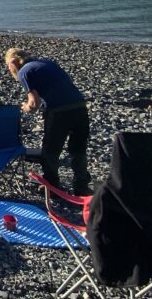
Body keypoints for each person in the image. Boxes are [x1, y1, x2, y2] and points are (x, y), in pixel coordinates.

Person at [5, 48, 91, 195]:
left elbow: (34, 104)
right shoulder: (46, 62)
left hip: (59, 111)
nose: (9, 69)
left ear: (13, 62)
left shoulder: (24, 72)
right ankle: (81, 186)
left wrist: (26, 107)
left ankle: (51, 186)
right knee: (78, 149)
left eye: (8, 66)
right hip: (80, 106)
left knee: (51, 150)